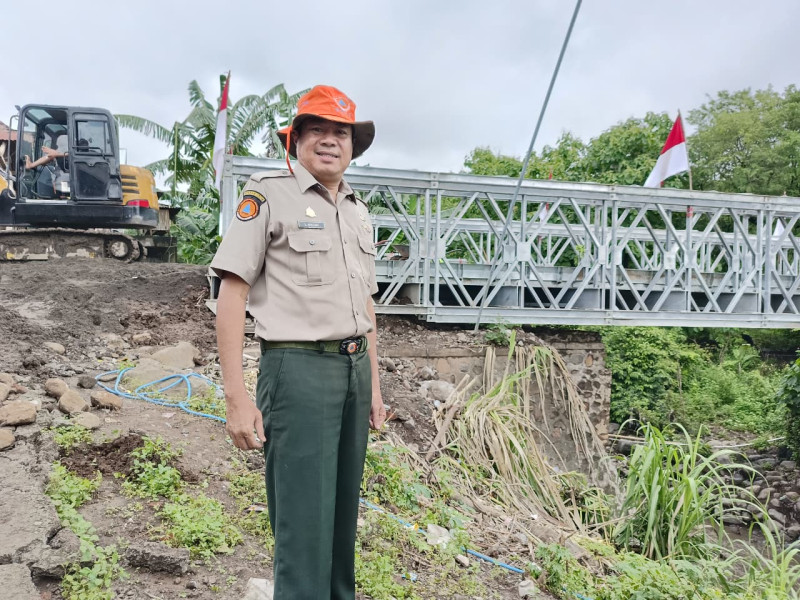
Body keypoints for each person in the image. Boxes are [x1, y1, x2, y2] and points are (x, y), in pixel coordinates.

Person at [210, 85, 385, 600]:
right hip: (298, 371)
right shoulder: (267, 194)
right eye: (318, 130)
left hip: (354, 370)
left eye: (341, 132)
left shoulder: (356, 209)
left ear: (353, 146)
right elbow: (231, 294)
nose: (330, 141)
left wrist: (373, 387)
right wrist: (237, 398)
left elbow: (366, 306)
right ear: (297, 139)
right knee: (304, 523)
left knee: (340, 519)